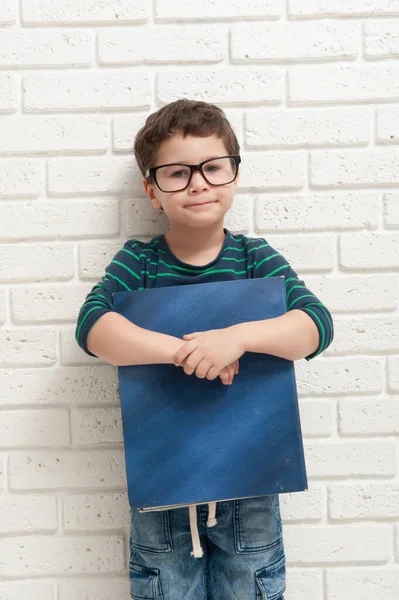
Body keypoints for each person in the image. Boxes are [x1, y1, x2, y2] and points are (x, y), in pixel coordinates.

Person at [75, 99, 334, 600]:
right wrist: (180, 351)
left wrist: (237, 337)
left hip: (251, 477)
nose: (198, 183)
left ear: (234, 176)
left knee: (250, 585)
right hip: (163, 481)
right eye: (177, 172)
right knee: (168, 588)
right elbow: (93, 328)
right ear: (152, 190)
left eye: (213, 168)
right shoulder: (139, 261)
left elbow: (315, 325)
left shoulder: (255, 258)